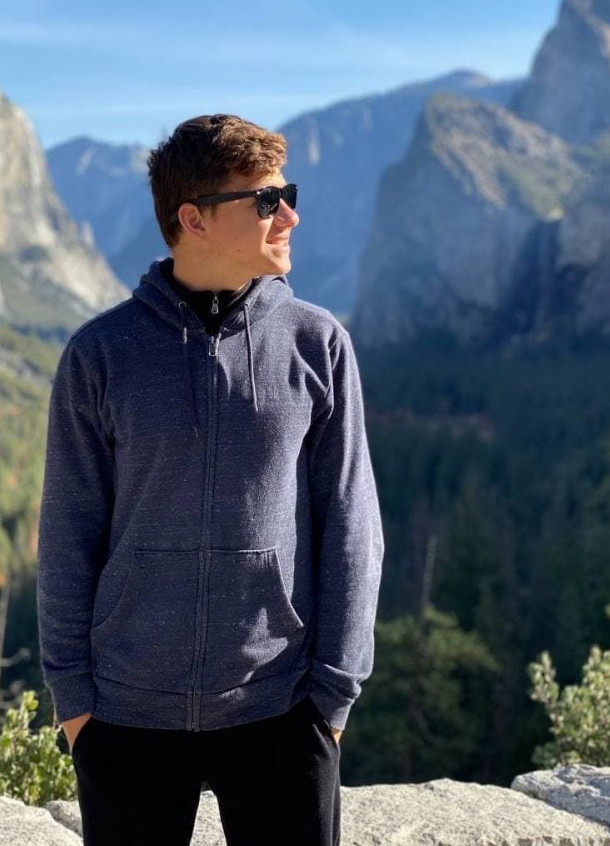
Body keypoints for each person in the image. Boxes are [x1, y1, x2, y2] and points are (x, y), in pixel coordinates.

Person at [37, 113, 385, 845]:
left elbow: (353, 525)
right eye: (266, 200)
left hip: (282, 708)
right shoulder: (101, 354)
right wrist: (76, 704)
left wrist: (332, 697)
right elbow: (68, 533)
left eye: (288, 194)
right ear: (192, 218)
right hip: (126, 715)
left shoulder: (318, 344)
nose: (289, 215)